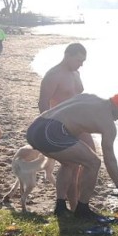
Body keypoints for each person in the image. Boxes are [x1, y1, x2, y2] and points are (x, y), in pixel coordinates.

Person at [25, 91, 118, 218]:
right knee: (94, 162)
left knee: (69, 162)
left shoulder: (90, 97)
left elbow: (72, 115)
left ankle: (60, 207)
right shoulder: (108, 124)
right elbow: (109, 158)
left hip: (35, 127)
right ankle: (83, 209)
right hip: (51, 131)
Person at [38, 42, 93, 210]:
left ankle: (79, 201)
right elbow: (42, 103)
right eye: (78, 60)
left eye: (83, 61)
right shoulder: (54, 74)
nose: (81, 64)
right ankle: (64, 203)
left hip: (80, 123)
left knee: (91, 159)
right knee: (69, 163)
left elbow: (78, 95)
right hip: (61, 124)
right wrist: (50, 128)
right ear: (67, 55)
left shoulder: (76, 72)